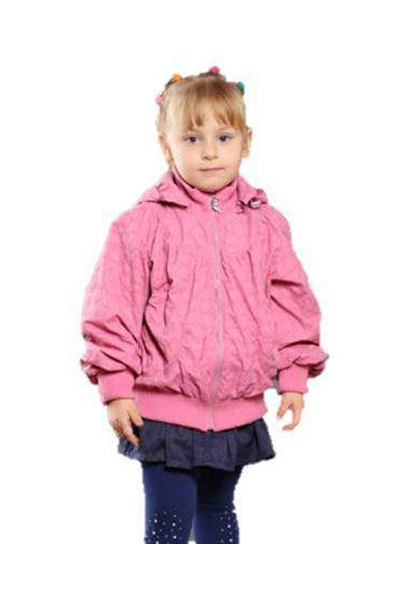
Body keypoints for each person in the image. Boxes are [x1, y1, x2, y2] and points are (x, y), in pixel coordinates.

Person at [79, 66, 329, 544]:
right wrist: (115, 386)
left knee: (218, 510)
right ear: (166, 145)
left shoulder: (266, 224)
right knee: (169, 520)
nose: (210, 151)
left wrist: (294, 375)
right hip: (162, 412)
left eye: (223, 137)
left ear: (246, 142)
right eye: (192, 139)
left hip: (236, 410)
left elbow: (289, 301)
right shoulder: (141, 225)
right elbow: (113, 308)